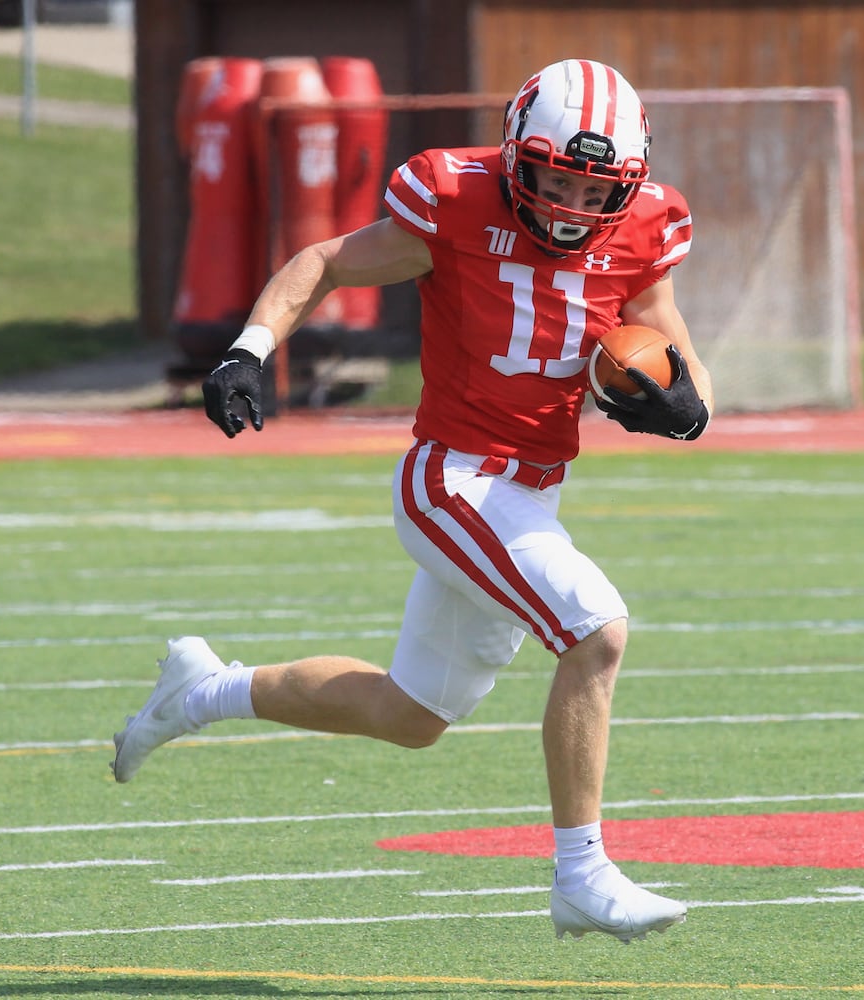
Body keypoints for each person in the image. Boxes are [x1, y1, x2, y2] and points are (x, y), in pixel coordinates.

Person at [112, 58, 714, 943]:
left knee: (412, 715)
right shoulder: (454, 200)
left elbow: (677, 353)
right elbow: (324, 261)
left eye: (594, 190)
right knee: (596, 630)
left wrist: (685, 405)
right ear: (516, 155)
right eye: (553, 177)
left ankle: (204, 690)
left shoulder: (645, 230)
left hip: (531, 492)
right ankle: (581, 874)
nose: (569, 206)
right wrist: (247, 350)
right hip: (454, 478)